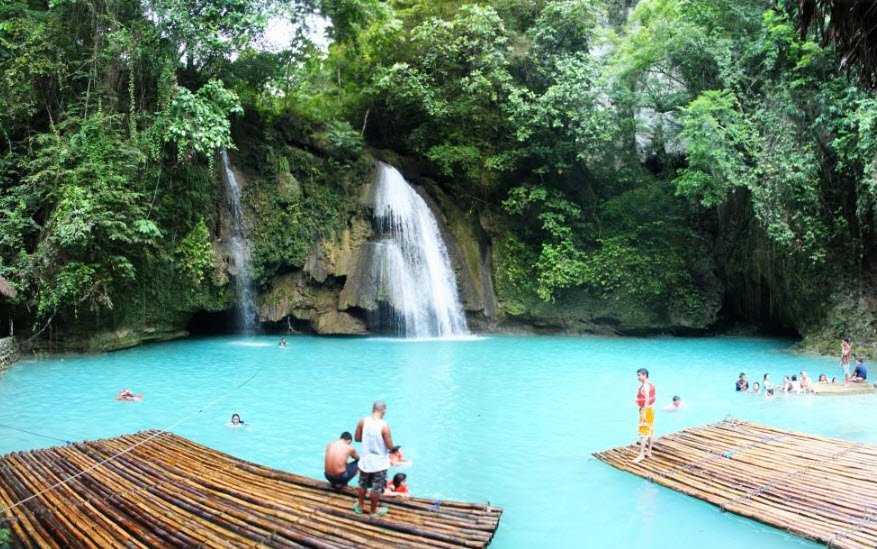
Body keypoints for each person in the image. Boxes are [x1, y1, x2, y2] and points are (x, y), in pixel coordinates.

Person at [354, 401, 394, 516]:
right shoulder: (384, 425)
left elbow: (357, 438)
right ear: (384, 411)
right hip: (379, 464)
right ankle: (373, 510)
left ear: (372, 409)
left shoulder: (363, 421)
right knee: (376, 488)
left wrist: (368, 439)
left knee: (362, 484)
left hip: (365, 462)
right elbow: (389, 446)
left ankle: (360, 506)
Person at [633, 368, 656, 464]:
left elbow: (646, 399)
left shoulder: (645, 386)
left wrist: (644, 413)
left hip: (646, 410)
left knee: (643, 434)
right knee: (650, 432)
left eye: (639, 375)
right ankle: (649, 452)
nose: (638, 377)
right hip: (651, 410)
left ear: (644, 375)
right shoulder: (650, 384)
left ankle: (641, 455)